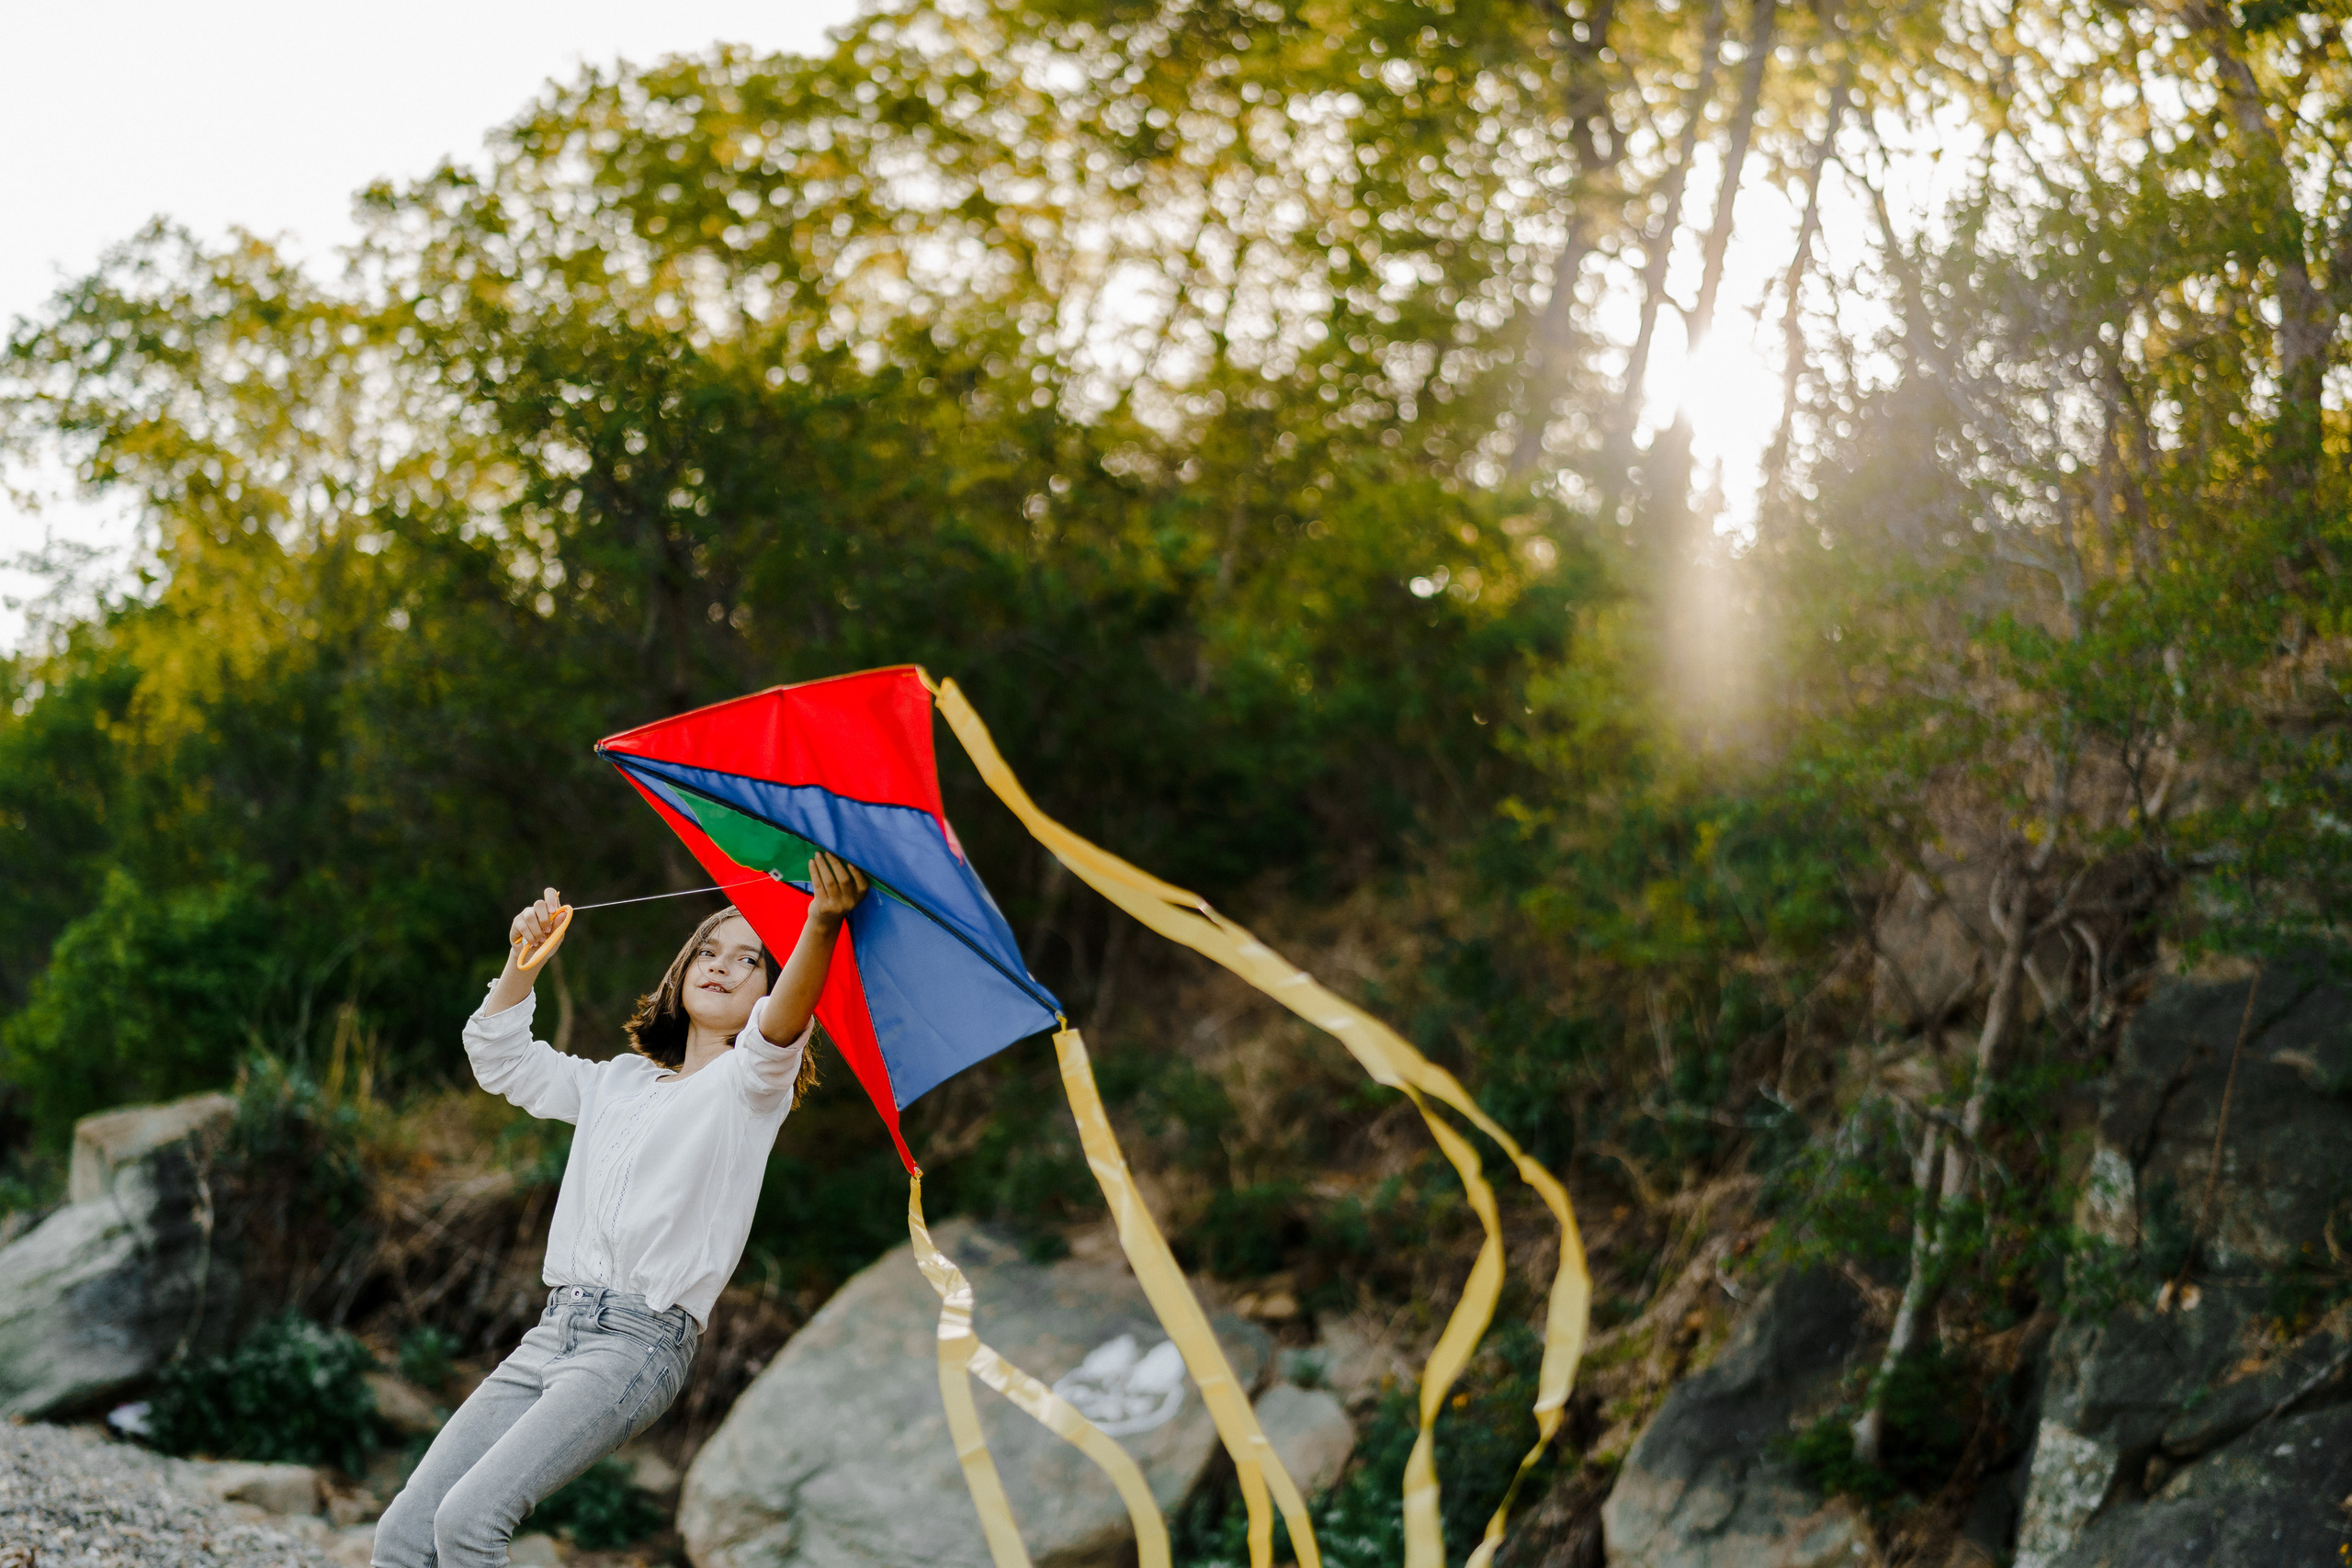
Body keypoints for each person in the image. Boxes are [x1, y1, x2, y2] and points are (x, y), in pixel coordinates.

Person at [373, 852, 870, 1568]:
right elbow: (500, 1059)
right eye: (708, 948)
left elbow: (777, 1033)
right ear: (682, 966)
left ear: (774, 984)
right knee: (405, 1533)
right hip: (555, 1328)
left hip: (636, 1344)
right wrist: (524, 961)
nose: (721, 964)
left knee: (469, 1524)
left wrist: (820, 923)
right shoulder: (619, 1081)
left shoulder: (749, 1087)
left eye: (750, 959)